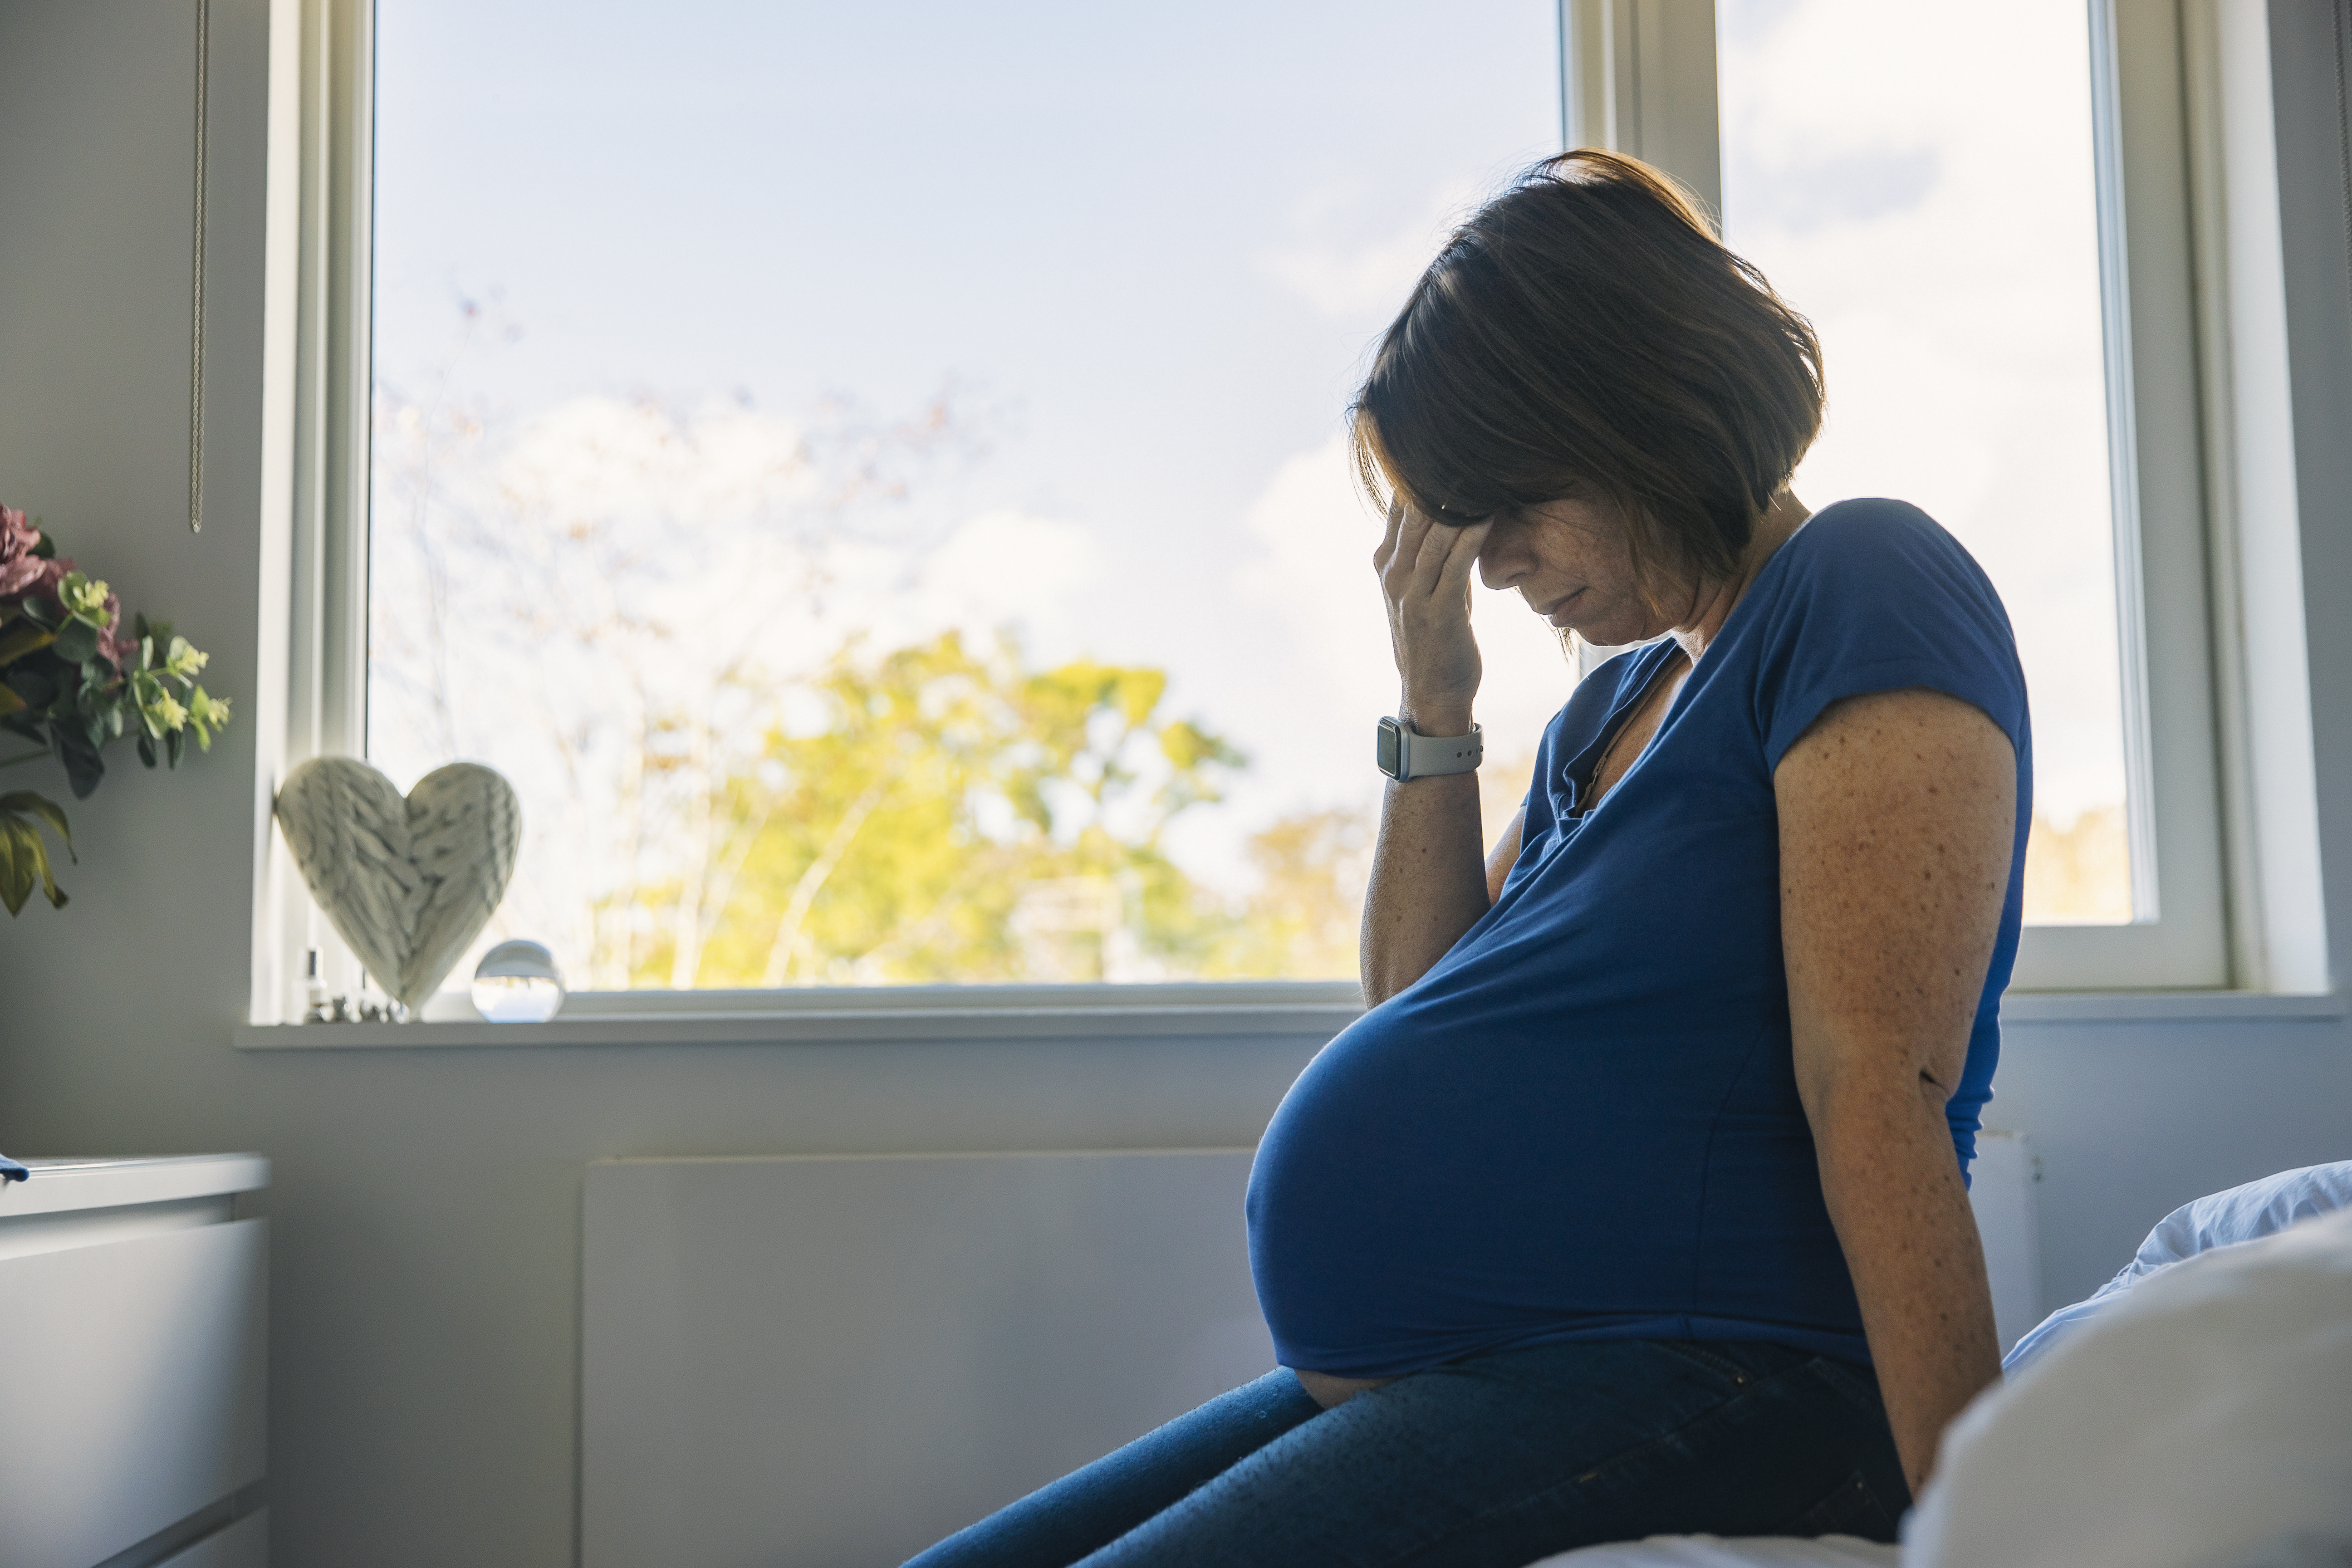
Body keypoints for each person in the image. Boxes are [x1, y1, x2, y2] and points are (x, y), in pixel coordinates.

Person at [907, 148, 2028, 1568]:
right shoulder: (1610, 713)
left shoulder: (1860, 582)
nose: (1490, 562)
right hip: (1517, 1364)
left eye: (1512, 505)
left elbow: (1876, 1079)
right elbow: (1421, 1007)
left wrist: (1979, 1526)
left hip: (1735, 1372)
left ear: (1640, 408)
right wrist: (1437, 706)